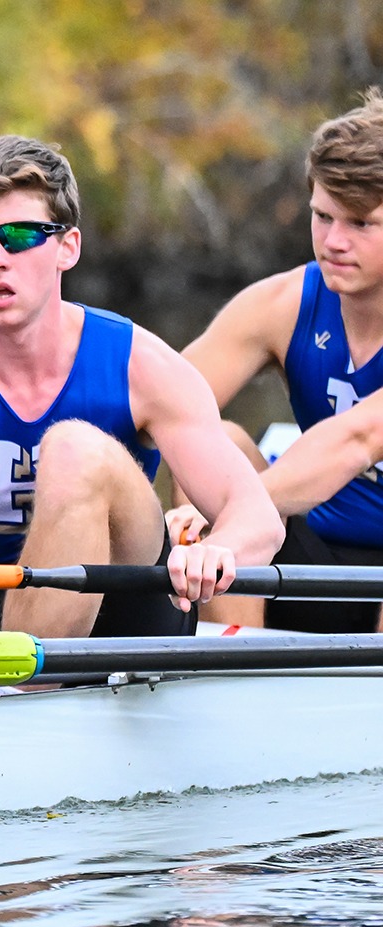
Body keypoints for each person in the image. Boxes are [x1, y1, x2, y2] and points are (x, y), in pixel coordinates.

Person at [0, 135, 283, 638]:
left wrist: (218, 551)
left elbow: (257, 518)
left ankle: (31, 684)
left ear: (67, 247)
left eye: (19, 236)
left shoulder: (141, 365)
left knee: (75, 448)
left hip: (119, 611)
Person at [166, 91, 383, 632]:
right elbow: (160, 402)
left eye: (360, 223)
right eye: (322, 215)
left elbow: (357, 439)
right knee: (219, 441)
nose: (333, 242)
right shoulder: (282, 304)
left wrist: (235, 512)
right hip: (312, 554)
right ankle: (234, 663)